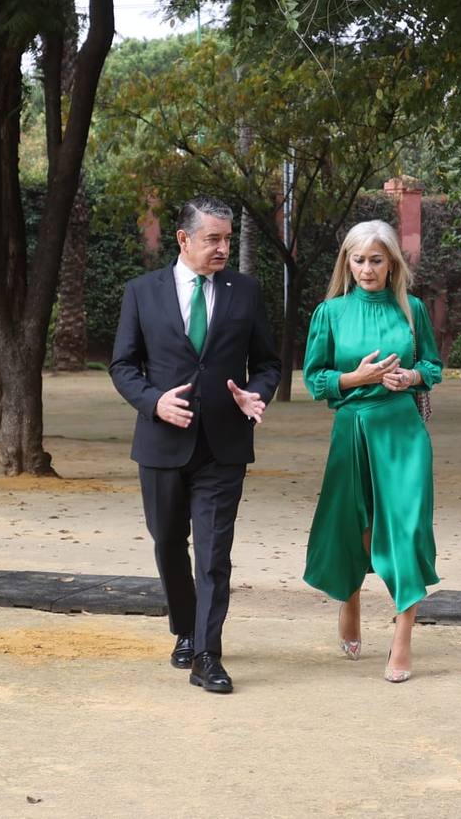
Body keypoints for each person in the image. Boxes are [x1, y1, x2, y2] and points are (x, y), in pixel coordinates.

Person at [109, 196, 281, 694]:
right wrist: (153, 402)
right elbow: (123, 365)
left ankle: (207, 654)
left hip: (224, 445)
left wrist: (257, 394)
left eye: (228, 239)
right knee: (168, 542)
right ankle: (184, 628)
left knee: (212, 553)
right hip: (161, 444)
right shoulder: (141, 293)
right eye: (214, 239)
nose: (224, 248)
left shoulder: (246, 292)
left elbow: (268, 363)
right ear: (184, 240)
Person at [301, 219, 443, 683]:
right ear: (347, 262)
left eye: (376, 260)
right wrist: (355, 379)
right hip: (353, 428)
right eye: (358, 260)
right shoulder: (330, 313)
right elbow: (315, 378)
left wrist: (412, 378)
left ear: (391, 264)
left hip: (402, 430)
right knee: (355, 523)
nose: (366, 269)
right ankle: (351, 597)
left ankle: (402, 639)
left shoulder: (412, 310)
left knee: (407, 529)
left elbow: (433, 366)